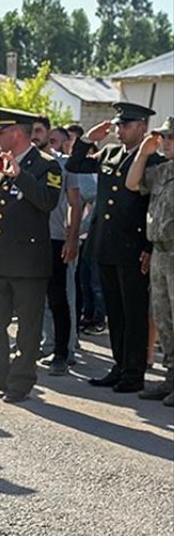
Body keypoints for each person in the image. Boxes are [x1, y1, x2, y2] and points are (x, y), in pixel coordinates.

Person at [66, 101, 161, 393]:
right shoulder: (108, 152)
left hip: (133, 246)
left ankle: (134, 373)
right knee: (115, 311)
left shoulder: (154, 162)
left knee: (134, 312)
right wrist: (88, 140)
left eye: (127, 125)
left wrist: (148, 247)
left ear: (143, 128)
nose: (120, 130)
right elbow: (75, 164)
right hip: (105, 243)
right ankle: (119, 365)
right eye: (118, 125)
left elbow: (152, 208)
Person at [0, 108, 62, 403]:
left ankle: (20, 382)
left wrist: (21, 176)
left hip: (28, 262)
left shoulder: (47, 166)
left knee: (27, 327)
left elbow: (48, 202)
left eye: (1, 132)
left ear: (17, 133)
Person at [126, 117, 173, 406]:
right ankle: (171, 377)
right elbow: (132, 183)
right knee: (164, 317)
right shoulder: (162, 171)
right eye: (164, 137)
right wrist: (144, 152)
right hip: (160, 252)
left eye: (170, 138)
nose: (165, 142)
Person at [35, 121, 84, 375]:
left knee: (58, 299)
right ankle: (38, 346)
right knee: (30, 299)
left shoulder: (66, 165)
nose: (35, 136)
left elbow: (76, 203)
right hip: (27, 241)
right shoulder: (23, 162)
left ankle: (62, 353)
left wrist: (72, 237)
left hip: (54, 239)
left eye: (40, 132)